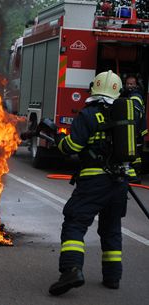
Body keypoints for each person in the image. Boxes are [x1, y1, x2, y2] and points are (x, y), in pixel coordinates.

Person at [48, 70, 140, 296]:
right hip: (119, 182)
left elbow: (71, 148)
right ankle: (112, 277)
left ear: (94, 88)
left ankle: (71, 270)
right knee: (111, 228)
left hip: (93, 182)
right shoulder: (127, 116)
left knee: (75, 222)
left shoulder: (89, 114)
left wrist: (59, 139)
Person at [122, 74, 148, 178]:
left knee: (134, 151)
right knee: (135, 151)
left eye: (131, 84)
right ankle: (135, 174)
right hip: (136, 129)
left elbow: (135, 115)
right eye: (128, 84)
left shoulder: (135, 96)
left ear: (136, 85)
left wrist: (132, 129)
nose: (129, 86)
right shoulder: (131, 94)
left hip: (136, 130)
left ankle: (135, 174)